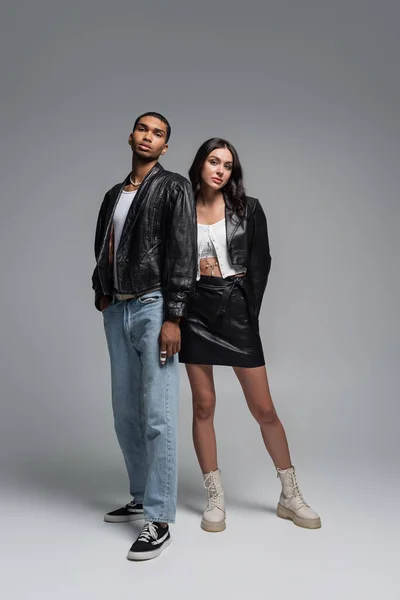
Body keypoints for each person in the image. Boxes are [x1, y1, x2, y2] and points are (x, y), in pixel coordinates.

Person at [179, 138, 321, 533]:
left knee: (264, 409)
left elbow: (262, 262)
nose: (220, 170)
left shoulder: (248, 208)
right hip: (194, 309)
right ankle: (215, 497)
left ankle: (289, 495)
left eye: (227, 164)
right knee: (203, 405)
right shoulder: (180, 208)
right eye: (213, 161)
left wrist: (246, 309)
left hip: (235, 305)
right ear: (201, 164)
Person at [92, 112, 197, 560]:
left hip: (155, 306)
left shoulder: (173, 187)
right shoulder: (114, 195)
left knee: (157, 412)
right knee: (125, 412)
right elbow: (103, 246)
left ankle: (159, 517)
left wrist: (174, 316)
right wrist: (100, 291)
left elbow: (182, 252)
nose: (148, 137)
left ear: (165, 146)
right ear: (131, 135)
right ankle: (140, 495)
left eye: (158, 133)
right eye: (143, 129)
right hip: (117, 309)